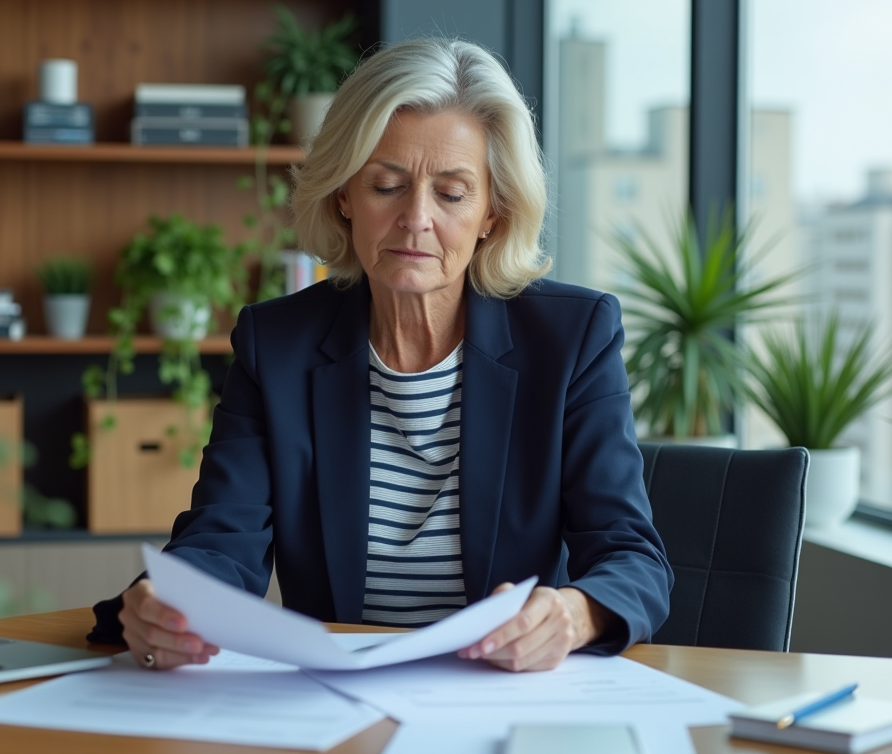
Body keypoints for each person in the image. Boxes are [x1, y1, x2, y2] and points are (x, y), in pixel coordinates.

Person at [91, 37, 672, 673]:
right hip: (331, 700)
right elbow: (222, 540)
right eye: (386, 185)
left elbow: (631, 557)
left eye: (451, 194)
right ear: (343, 195)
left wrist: (572, 613)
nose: (415, 218)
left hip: (501, 693)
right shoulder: (275, 343)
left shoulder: (572, 337)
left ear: (492, 215)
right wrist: (168, 603)